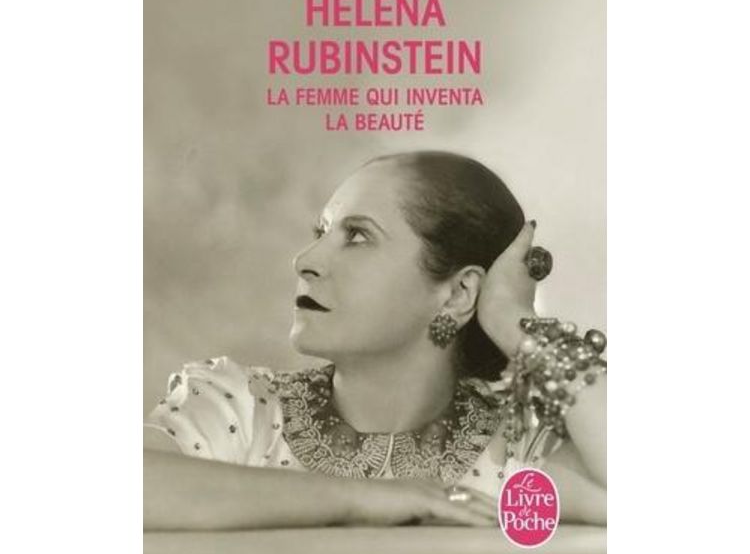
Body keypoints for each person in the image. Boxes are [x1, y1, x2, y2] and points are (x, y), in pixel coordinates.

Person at [144, 151, 606, 530]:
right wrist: (362, 498)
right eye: (322, 232)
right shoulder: (242, 410)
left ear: (458, 293)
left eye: (357, 236)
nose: (304, 261)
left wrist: (513, 319)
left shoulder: (514, 451)